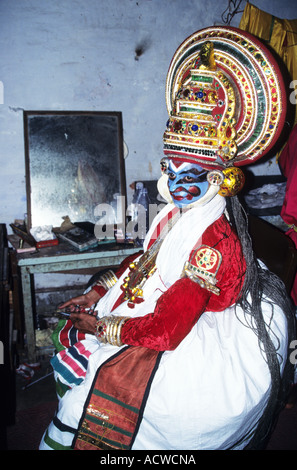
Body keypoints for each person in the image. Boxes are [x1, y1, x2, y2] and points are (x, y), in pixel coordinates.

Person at [40, 26, 296, 451]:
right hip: (164, 304)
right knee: (77, 339)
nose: (176, 185)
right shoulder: (179, 213)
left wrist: (103, 326)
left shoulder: (212, 241)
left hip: (195, 332)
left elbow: (170, 331)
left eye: (190, 177)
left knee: (105, 388)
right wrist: (97, 293)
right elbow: (147, 260)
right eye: (170, 171)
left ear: (217, 179)